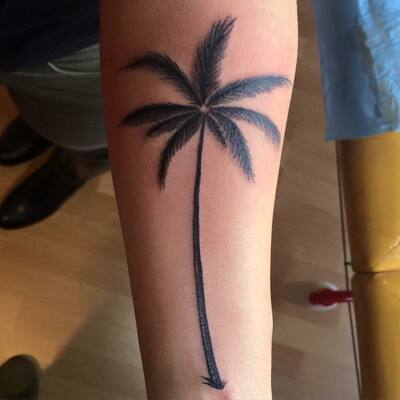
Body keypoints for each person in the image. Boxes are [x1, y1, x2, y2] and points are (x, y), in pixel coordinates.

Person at [0, 1, 297, 399]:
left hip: (68, 42)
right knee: (51, 118)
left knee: (79, 131)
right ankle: (52, 137)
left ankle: (73, 166)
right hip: (18, 52)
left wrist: (212, 390)